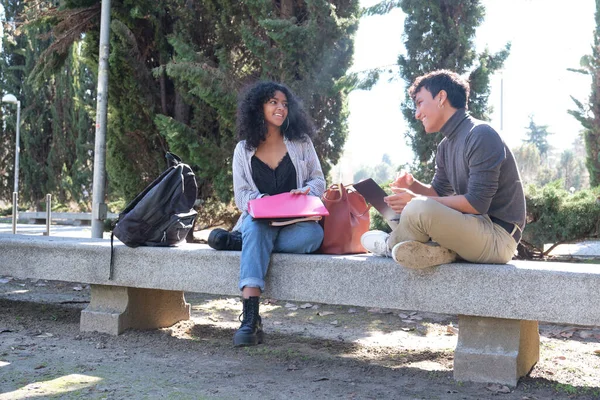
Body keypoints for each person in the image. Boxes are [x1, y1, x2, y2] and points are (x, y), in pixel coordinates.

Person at [361, 70, 525, 269]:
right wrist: (414, 186)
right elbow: (438, 194)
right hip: (470, 228)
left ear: (441, 97)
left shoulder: (481, 134)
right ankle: (438, 251)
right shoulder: (445, 147)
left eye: (420, 102)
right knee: (413, 208)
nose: (417, 114)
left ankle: (390, 244)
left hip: (498, 237)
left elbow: (477, 203)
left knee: (417, 208)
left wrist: (414, 201)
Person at [215, 81, 325, 347]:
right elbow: (242, 196)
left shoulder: (301, 143)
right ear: (258, 107)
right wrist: (265, 203)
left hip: (296, 223)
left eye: (285, 104)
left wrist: (305, 191)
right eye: (273, 102)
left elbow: (319, 182)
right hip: (259, 219)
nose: (280, 108)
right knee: (256, 226)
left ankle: (245, 243)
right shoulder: (243, 150)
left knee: (313, 236)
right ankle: (250, 319)